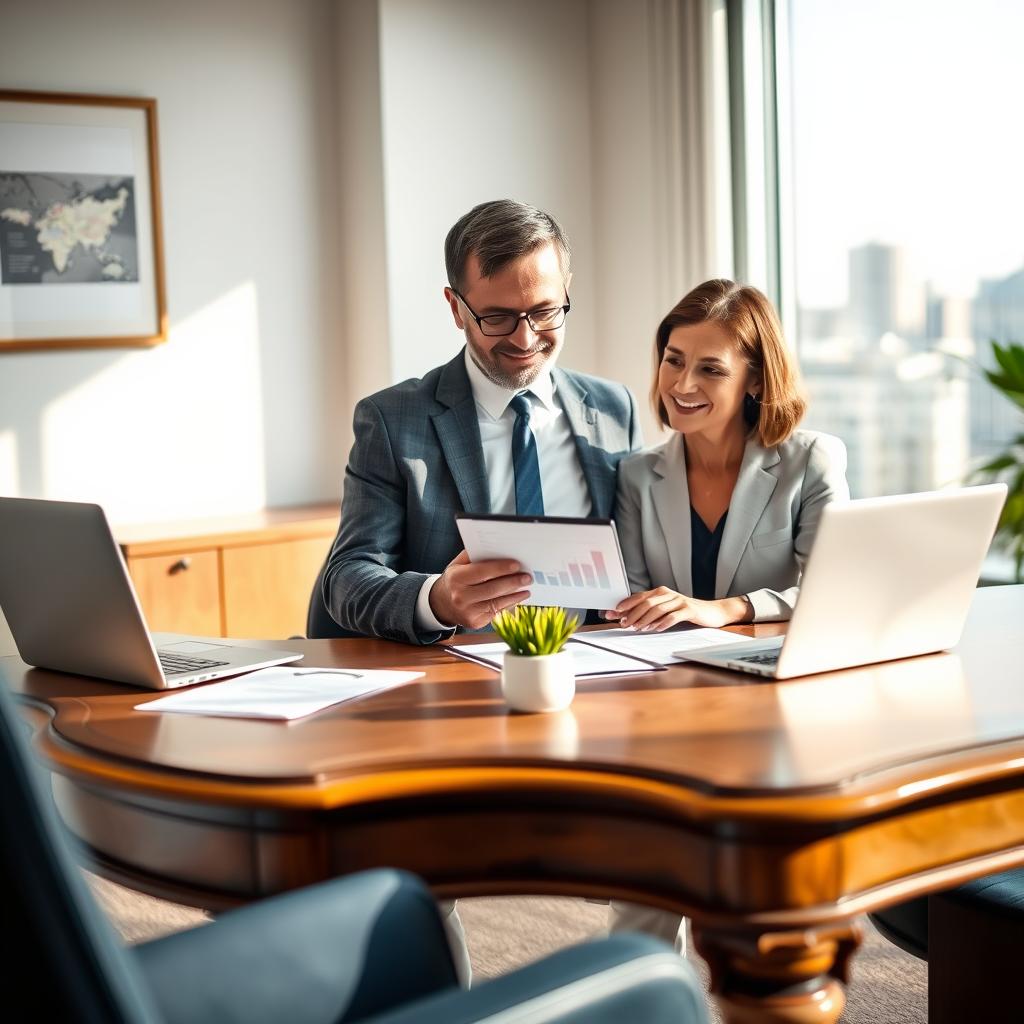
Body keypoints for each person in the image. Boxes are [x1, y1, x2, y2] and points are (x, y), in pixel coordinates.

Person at [321, 198, 643, 982]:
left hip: (587, 672)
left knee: (668, 839)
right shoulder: (395, 421)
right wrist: (436, 597)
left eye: (545, 311)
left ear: (567, 290)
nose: (526, 340)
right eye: (498, 317)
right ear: (455, 306)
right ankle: (448, 998)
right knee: (422, 868)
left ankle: (636, 981)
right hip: (450, 683)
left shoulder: (612, 407)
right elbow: (346, 577)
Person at [607, 278, 849, 947]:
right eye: (673, 359)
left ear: (752, 380)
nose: (682, 382)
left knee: (761, 916)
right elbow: (626, 595)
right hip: (668, 704)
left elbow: (834, 592)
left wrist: (730, 609)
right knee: (642, 898)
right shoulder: (636, 475)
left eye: (710, 368)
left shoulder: (810, 461)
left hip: (776, 710)